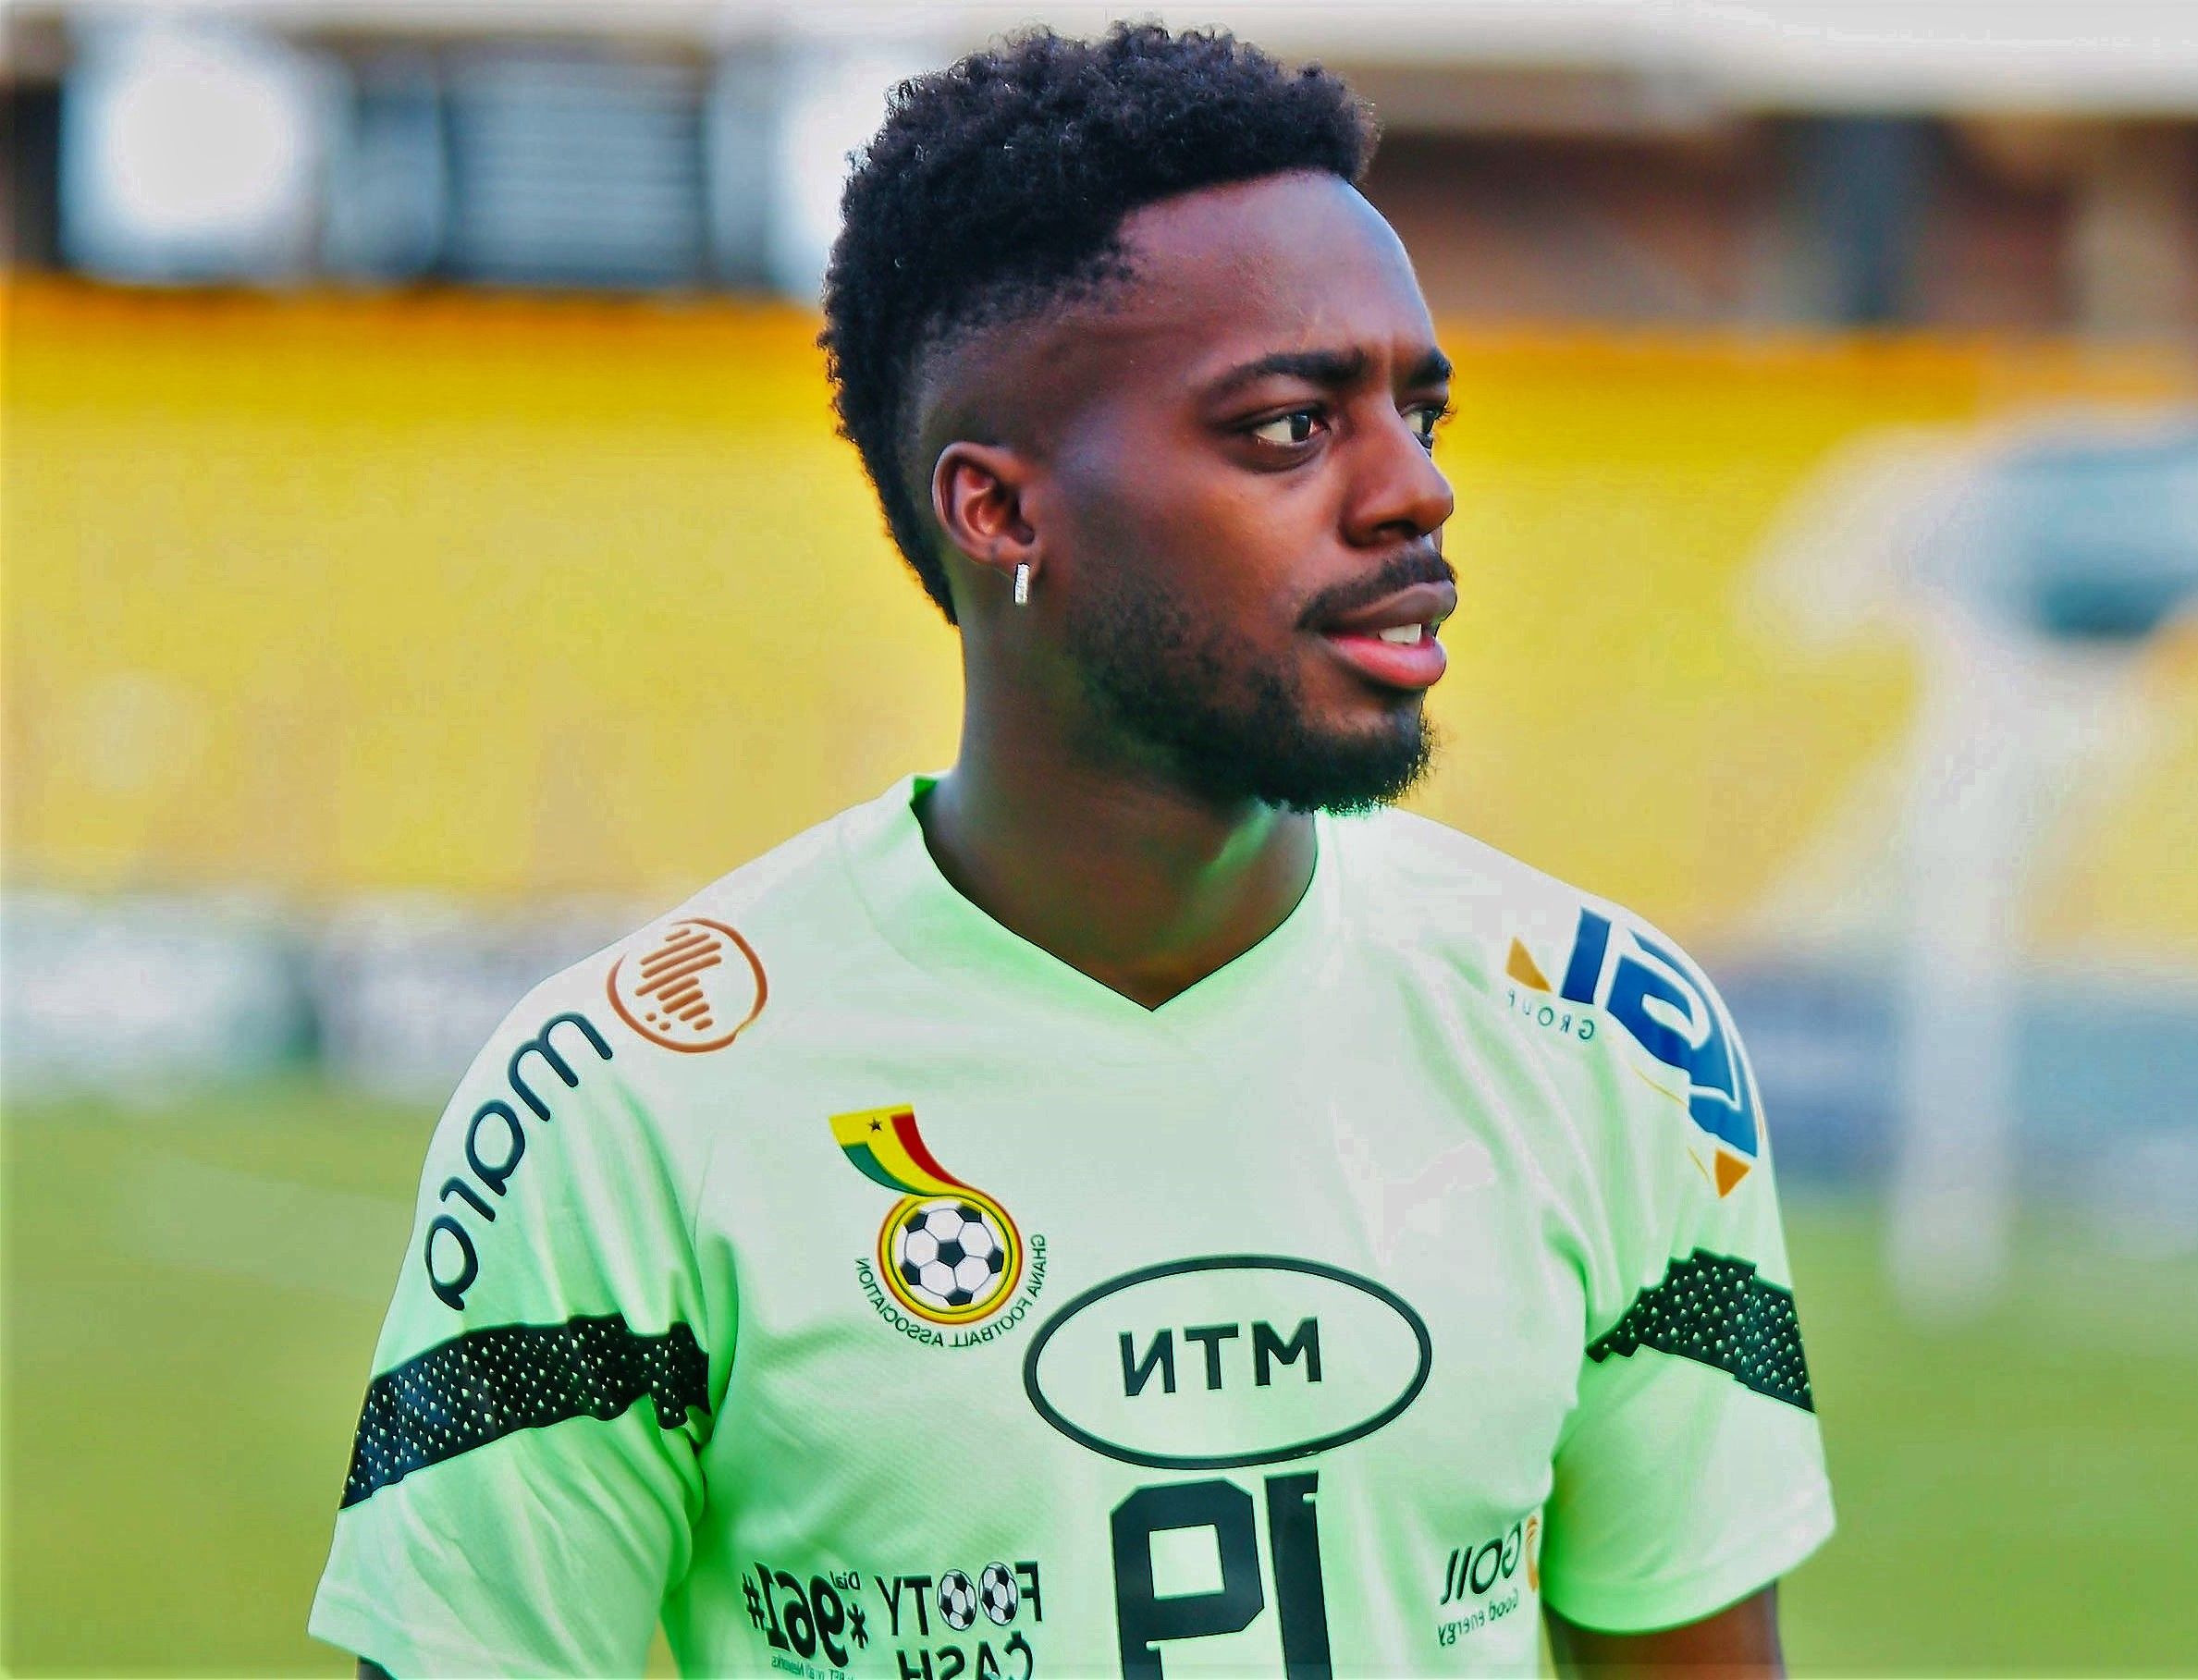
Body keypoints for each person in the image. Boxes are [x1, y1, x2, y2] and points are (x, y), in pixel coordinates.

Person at [312, 24, 1831, 1678]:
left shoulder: (1604, 1036)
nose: (1415, 492)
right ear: (1001, 512)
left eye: (1419, 409)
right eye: (1286, 428)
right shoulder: (625, 1105)